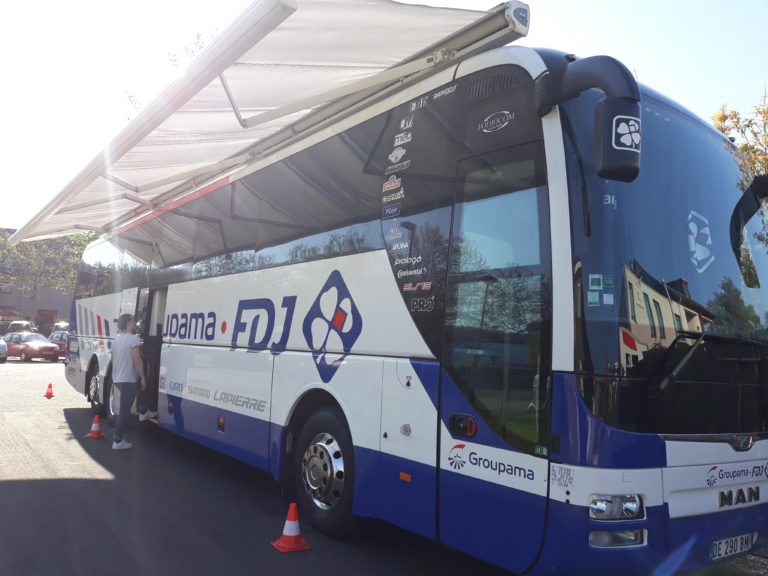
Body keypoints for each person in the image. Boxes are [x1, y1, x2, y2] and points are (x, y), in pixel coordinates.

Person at [111, 313, 153, 450]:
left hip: (117, 379)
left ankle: (142, 412)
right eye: (134, 321)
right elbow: (137, 361)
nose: (136, 323)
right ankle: (117, 440)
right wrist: (143, 377)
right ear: (129, 322)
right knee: (124, 411)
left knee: (123, 409)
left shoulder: (116, 340)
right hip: (128, 380)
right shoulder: (134, 339)